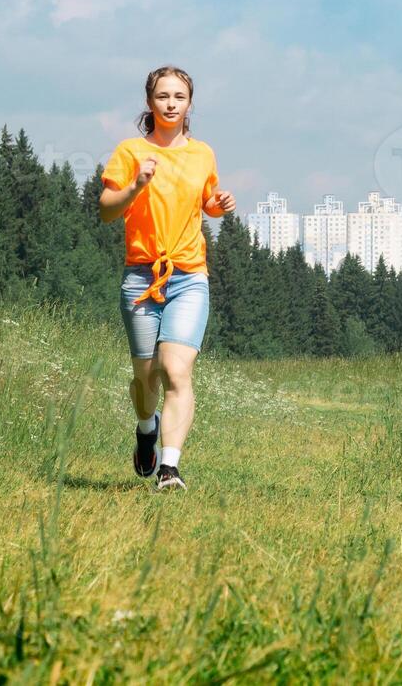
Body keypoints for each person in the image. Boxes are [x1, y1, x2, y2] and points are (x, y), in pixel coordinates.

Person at [98, 66, 235, 491]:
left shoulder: (203, 153)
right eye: (163, 96)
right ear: (150, 102)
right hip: (141, 276)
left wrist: (218, 204)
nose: (171, 103)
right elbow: (106, 209)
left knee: (177, 370)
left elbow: (204, 200)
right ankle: (145, 429)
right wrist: (137, 185)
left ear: (190, 103)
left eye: (179, 96)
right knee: (146, 376)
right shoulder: (130, 152)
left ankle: (169, 469)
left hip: (189, 275)